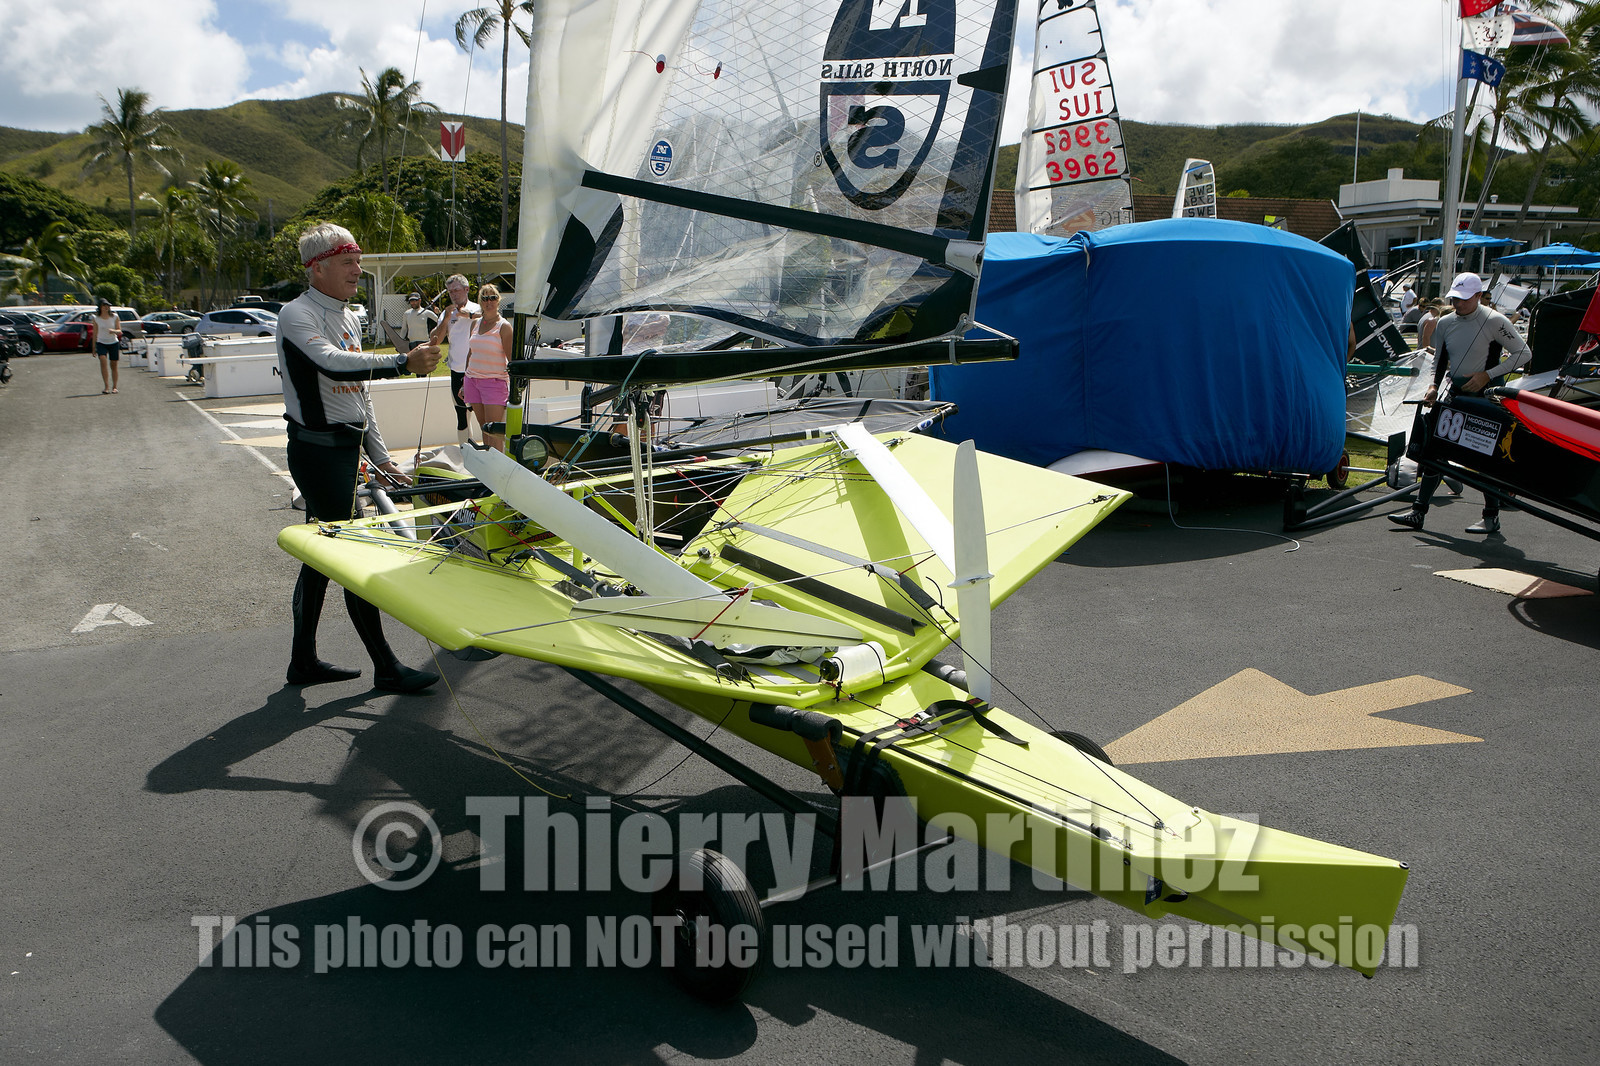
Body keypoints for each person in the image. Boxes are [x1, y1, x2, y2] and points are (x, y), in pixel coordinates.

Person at [278, 221, 444, 691]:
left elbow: (358, 393)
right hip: (316, 452)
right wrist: (400, 361)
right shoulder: (296, 314)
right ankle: (386, 668)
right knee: (352, 555)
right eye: (349, 262)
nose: (358, 269)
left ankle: (303, 662)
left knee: (322, 556)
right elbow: (330, 361)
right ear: (319, 268)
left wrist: (381, 454)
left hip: (345, 451)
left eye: (357, 259)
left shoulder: (349, 316)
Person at [1389, 272, 1532, 536]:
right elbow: (1439, 360)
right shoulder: (1444, 322)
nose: (1458, 304)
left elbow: (1523, 353)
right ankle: (1418, 512)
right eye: (1455, 299)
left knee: (1484, 457)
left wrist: (1488, 375)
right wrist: (1433, 386)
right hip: (1456, 393)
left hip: (1485, 396)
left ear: (1479, 296)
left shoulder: (1494, 320)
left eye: (1465, 300)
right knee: (1435, 449)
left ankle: (1491, 517)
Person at [428, 274, 480, 447]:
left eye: (457, 290)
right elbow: (435, 338)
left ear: (466, 290)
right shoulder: (446, 312)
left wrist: (468, 314)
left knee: (484, 415)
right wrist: (447, 318)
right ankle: (465, 454)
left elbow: (488, 317)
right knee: (462, 416)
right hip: (457, 370)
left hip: (478, 371)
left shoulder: (478, 308)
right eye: (450, 292)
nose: (453, 294)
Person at [462, 283, 513, 453]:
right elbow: (471, 353)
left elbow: (511, 359)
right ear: (480, 301)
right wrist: (464, 381)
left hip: (495, 382)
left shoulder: (504, 327)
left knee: (495, 432)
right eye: (485, 298)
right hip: (472, 381)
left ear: (498, 301)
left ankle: (499, 470)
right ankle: (488, 467)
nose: (488, 301)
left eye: (492, 297)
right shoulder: (474, 324)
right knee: (484, 429)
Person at [92, 300, 122, 394]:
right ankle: (106, 386)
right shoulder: (96, 318)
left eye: (108, 306)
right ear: (100, 307)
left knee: (114, 365)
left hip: (113, 342)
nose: (106, 307)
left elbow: (119, 331)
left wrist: (113, 331)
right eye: (104, 306)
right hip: (101, 342)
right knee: (103, 360)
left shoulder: (114, 317)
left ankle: (115, 387)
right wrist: (94, 348)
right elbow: (95, 333)